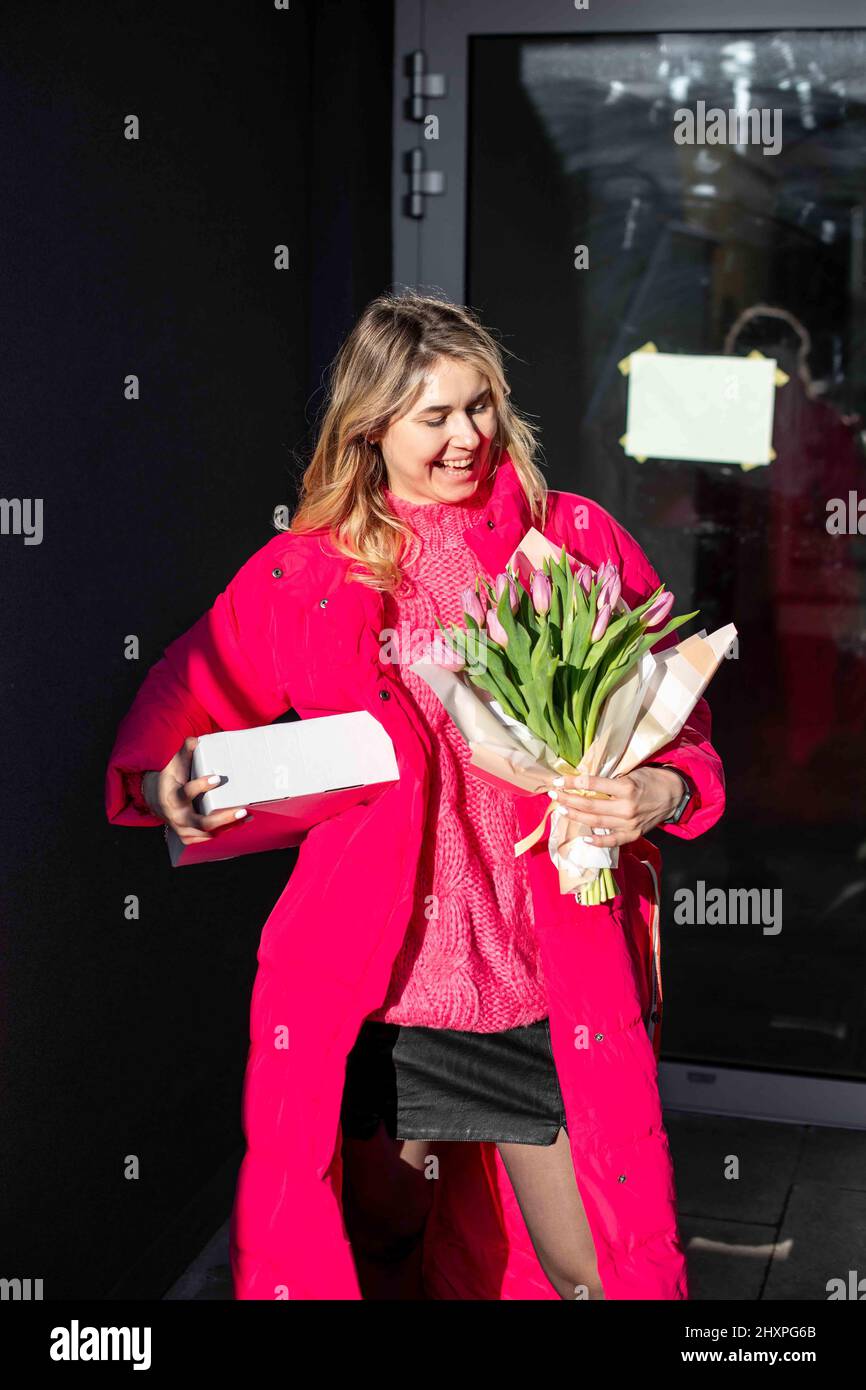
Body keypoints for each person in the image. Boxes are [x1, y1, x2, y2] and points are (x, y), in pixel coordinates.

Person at [105, 290, 726, 1300]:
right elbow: (189, 691)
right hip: (381, 995)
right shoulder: (308, 573)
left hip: (538, 978)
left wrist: (661, 784)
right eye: (432, 417)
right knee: (368, 1254)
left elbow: (676, 700)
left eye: (479, 407)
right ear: (371, 426)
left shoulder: (569, 540)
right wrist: (164, 782)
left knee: (597, 1270)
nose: (465, 437)